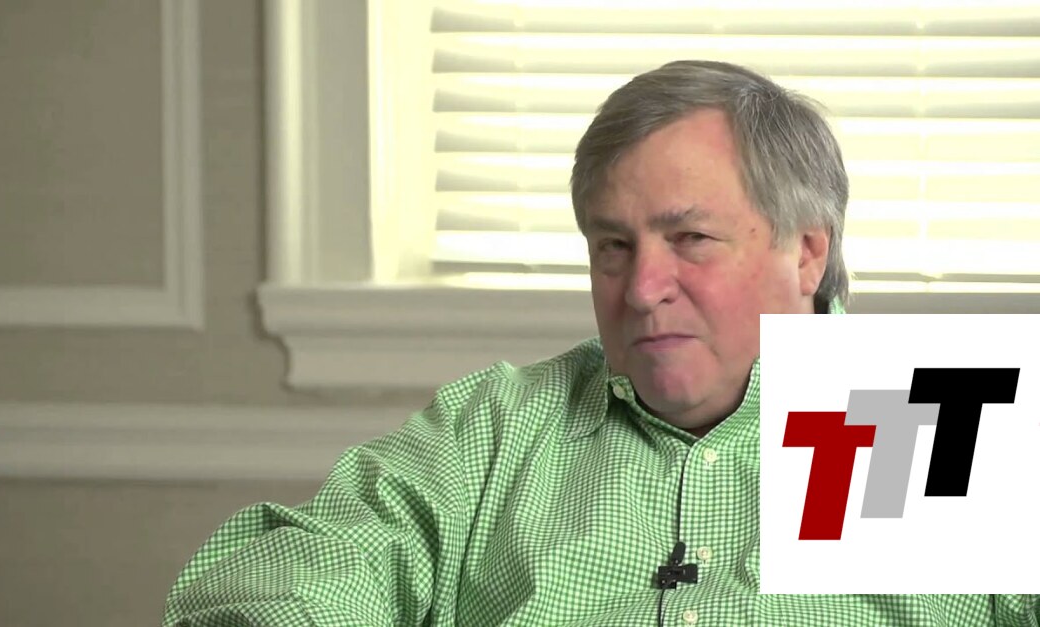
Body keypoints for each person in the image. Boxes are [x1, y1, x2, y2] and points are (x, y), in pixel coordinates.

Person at [163, 60, 1039, 626]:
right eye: (612, 246)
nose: (641, 287)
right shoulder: (495, 427)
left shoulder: (940, 414)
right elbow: (295, 578)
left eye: (690, 238)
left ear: (805, 251)